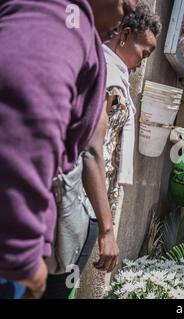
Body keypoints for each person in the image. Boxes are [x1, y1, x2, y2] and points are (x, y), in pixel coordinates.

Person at [0, 0, 135, 299]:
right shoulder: (64, 19)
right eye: (126, 4)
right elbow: (25, 120)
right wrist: (19, 254)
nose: (127, 12)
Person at [75, 2, 161, 299]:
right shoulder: (106, 75)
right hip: (79, 200)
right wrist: (107, 229)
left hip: (89, 201)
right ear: (123, 36)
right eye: (143, 52)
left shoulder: (116, 75)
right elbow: (92, 150)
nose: (141, 61)